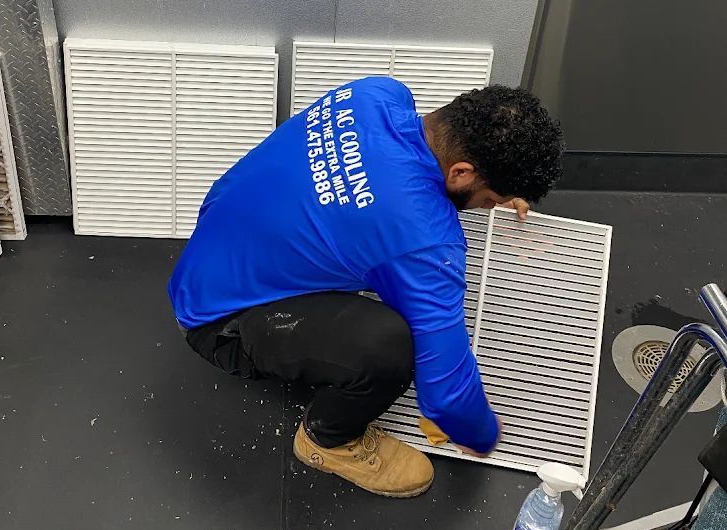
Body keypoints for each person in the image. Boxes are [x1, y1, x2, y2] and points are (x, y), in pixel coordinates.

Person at [168, 78, 563, 497]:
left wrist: (494, 189)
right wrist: (482, 432)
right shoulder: (425, 240)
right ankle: (329, 440)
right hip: (222, 323)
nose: (489, 209)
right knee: (390, 345)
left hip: (213, 258)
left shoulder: (375, 94)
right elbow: (446, 396)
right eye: (488, 200)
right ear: (462, 172)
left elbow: (397, 191)